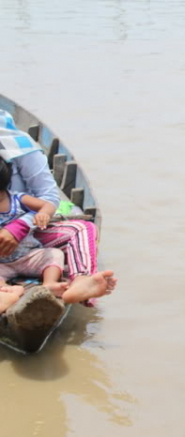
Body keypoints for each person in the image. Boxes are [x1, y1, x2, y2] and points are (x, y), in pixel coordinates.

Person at [0, 110, 116, 306]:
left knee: (81, 229)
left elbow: (49, 197)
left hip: (30, 239)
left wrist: (19, 226)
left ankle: (81, 282)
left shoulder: (20, 148)